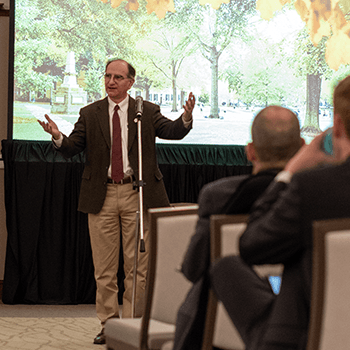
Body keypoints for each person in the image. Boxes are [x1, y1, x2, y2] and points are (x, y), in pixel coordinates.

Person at [38, 58, 195, 344]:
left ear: (130, 82)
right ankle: (109, 326)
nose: (111, 82)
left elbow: (173, 131)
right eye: (108, 76)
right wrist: (58, 136)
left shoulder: (145, 111)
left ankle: (134, 325)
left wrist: (185, 117)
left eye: (118, 77)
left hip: (139, 194)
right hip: (103, 196)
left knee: (138, 268)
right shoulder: (91, 112)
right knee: (105, 268)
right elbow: (73, 148)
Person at [210, 75, 350, 350]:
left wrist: (290, 172)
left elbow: (252, 246)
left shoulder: (314, 188)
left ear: (339, 126)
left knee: (230, 267)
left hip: (308, 336)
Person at [173, 105, 304, 350]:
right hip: (300, 319)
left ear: (250, 151)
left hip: (217, 325)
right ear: (302, 147)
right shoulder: (316, 195)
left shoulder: (218, 195)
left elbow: (194, 269)